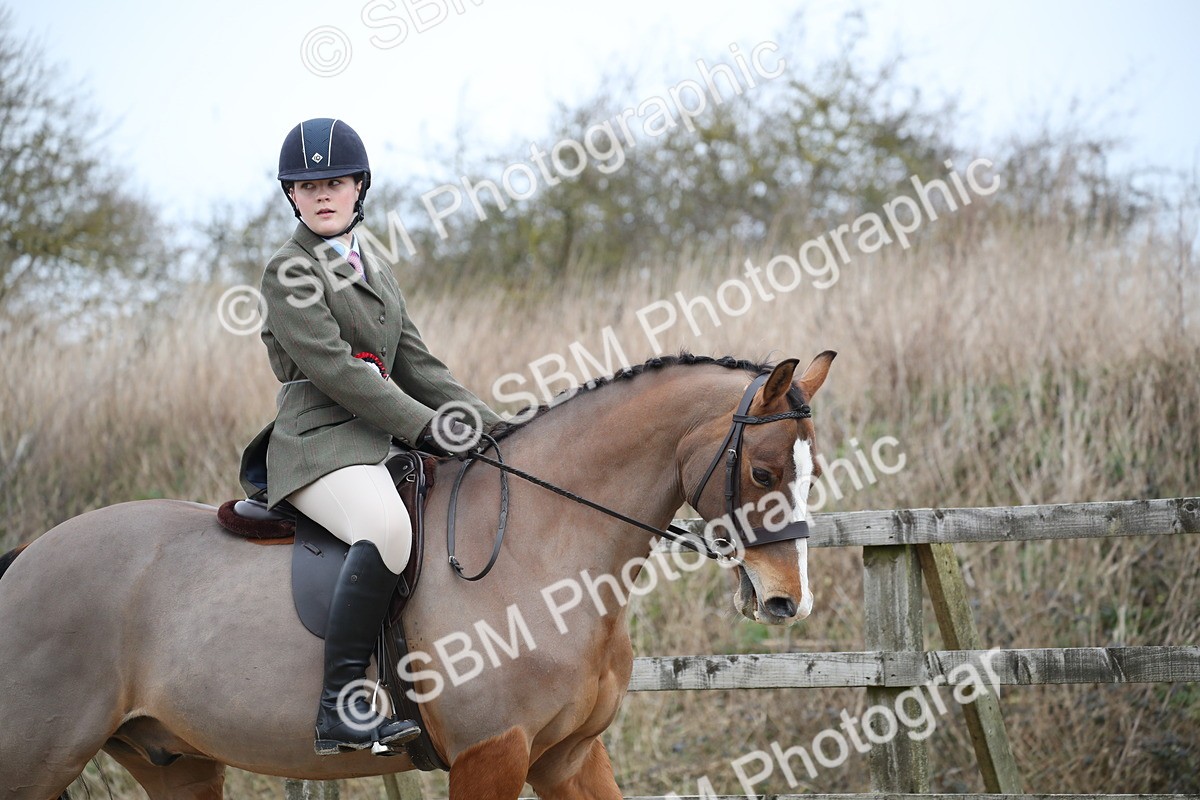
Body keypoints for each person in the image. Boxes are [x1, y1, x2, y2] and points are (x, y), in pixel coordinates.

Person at [238, 117, 502, 756]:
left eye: (335, 181)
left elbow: (419, 364)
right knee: (386, 528)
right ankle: (339, 709)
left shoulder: (372, 266)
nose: (323, 194)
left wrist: (491, 426)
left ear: (360, 188)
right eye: (308, 186)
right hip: (320, 444)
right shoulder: (288, 271)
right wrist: (426, 427)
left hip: (379, 441)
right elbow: (339, 374)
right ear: (291, 196)